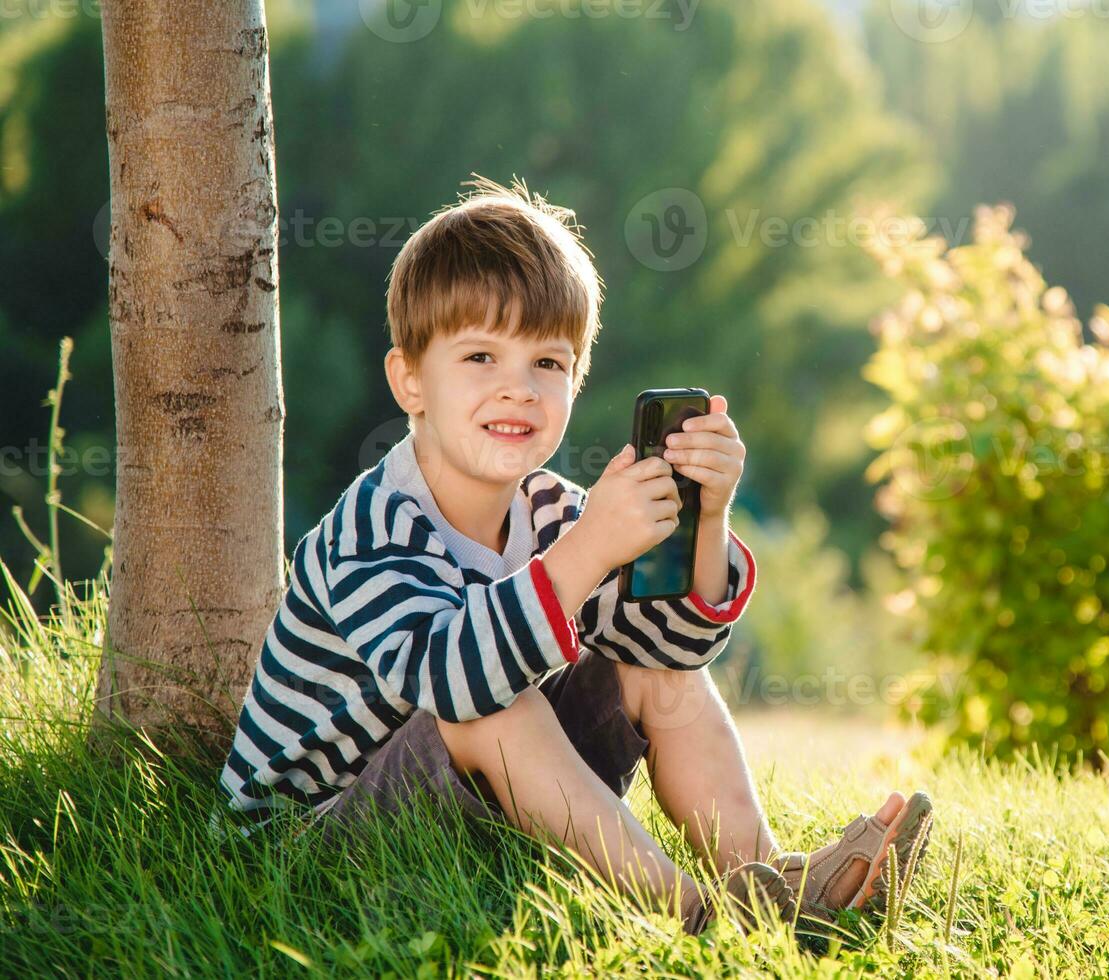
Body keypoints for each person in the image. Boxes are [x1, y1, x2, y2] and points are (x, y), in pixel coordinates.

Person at [216, 176, 934, 934]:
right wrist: (588, 552)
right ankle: (699, 918)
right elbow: (455, 683)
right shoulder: (375, 525)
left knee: (654, 671)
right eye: (481, 358)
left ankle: (773, 885)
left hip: (459, 815)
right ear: (410, 381)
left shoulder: (554, 510)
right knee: (497, 703)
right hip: (308, 848)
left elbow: (673, 647)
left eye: (548, 365)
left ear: (576, 379)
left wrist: (706, 521)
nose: (518, 389)